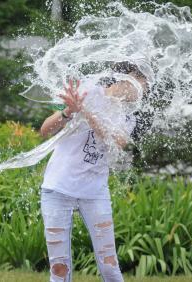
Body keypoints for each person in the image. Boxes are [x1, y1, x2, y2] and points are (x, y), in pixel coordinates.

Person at [39, 64, 148, 282]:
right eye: (137, 86)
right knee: (59, 269)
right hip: (57, 188)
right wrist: (68, 111)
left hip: (95, 193)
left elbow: (116, 141)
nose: (139, 93)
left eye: (143, 89)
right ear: (121, 79)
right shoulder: (87, 92)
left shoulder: (129, 117)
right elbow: (45, 130)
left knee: (110, 267)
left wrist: (85, 111)